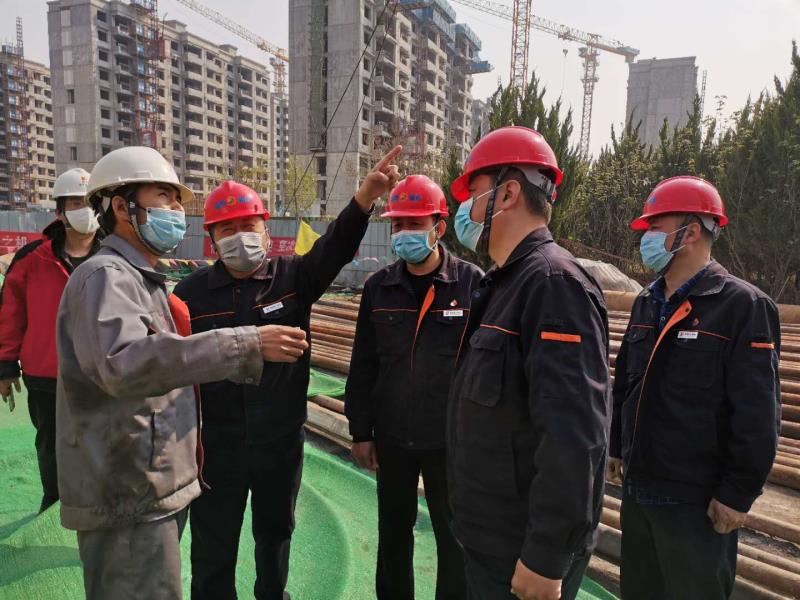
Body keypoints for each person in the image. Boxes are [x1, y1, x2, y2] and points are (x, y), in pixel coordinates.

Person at [56, 146, 310, 600]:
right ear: (122, 207)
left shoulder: (142, 280)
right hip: (128, 489)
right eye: (164, 197)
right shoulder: (106, 277)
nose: (176, 210)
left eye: (178, 201)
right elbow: (124, 363)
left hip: (149, 482)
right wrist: (246, 343)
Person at [173, 146, 402, 600]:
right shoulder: (189, 294)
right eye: (228, 229)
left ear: (266, 229)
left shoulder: (294, 277)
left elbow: (335, 246)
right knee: (213, 542)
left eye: (248, 226)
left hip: (279, 442)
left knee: (275, 534)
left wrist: (364, 198)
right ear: (212, 239)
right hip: (215, 445)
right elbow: (174, 362)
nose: (240, 236)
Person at [446, 126, 611, 600]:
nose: (465, 210)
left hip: (519, 553)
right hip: (490, 539)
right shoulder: (505, 282)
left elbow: (574, 434)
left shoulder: (553, 285)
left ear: (508, 193)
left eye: (473, 195)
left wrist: (545, 556)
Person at [608, 176, 781, 600]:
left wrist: (737, 493)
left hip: (696, 503)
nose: (647, 238)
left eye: (655, 227)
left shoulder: (743, 307)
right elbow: (625, 383)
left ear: (691, 231)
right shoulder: (646, 302)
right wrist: (615, 446)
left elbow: (758, 414)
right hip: (639, 488)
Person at [344, 175, 482, 600]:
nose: (404, 233)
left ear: (439, 226)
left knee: (454, 537)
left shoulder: (472, 285)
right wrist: (361, 431)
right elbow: (363, 364)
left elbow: (483, 369)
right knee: (394, 533)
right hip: (392, 438)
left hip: (449, 441)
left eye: (414, 223)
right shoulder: (379, 287)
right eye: (398, 224)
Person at [0, 167, 101, 513]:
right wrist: (5, 365)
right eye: (75, 203)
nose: (84, 210)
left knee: (102, 440)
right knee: (51, 443)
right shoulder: (32, 259)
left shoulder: (115, 256)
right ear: (59, 211)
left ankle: (96, 504)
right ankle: (54, 502)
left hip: (102, 373)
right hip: (46, 375)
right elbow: (10, 314)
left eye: (90, 203)